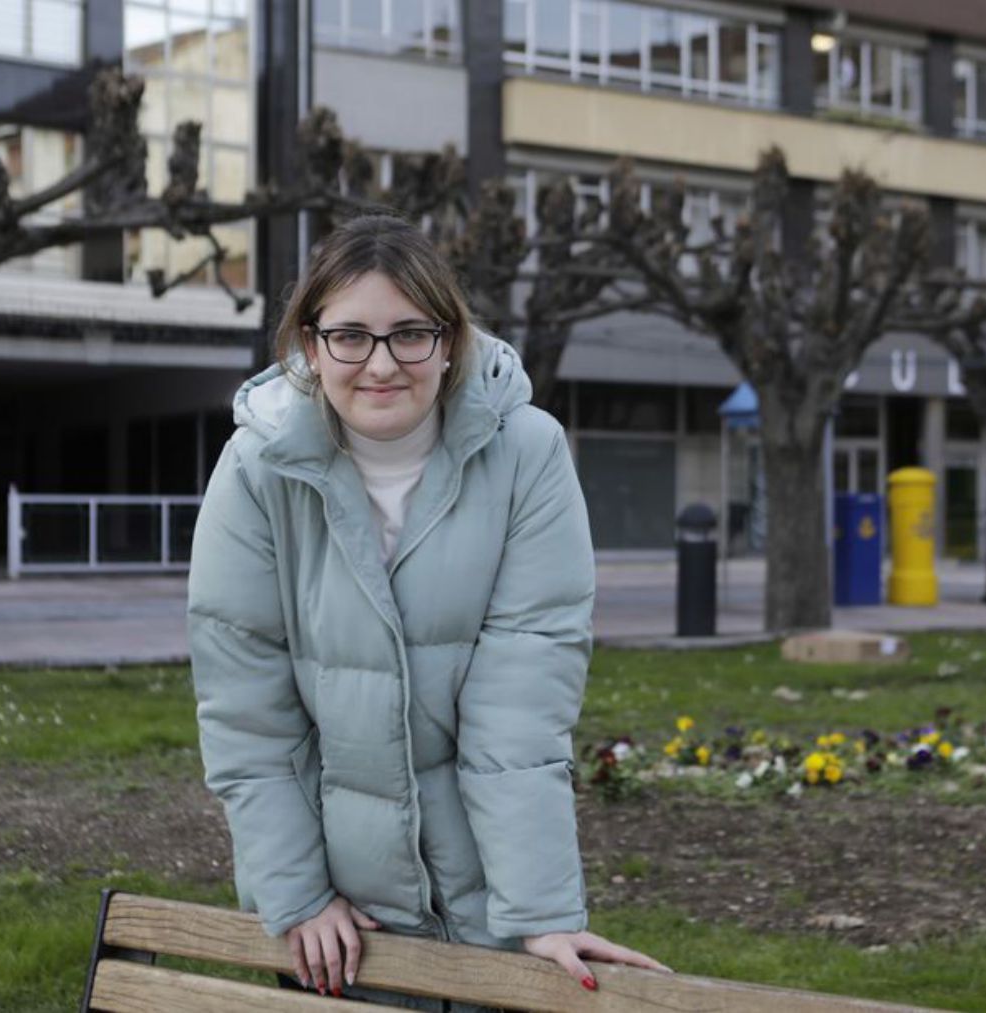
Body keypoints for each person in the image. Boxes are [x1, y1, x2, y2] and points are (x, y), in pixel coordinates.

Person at [187, 212, 667, 1009]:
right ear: (310, 345)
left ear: (450, 343)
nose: (381, 363)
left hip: (488, 910)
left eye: (410, 333)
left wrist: (540, 913)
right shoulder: (256, 470)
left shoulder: (529, 455)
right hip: (343, 926)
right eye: (349, 335)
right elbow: (248, 715)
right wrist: (298, 893)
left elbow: (521, 704)